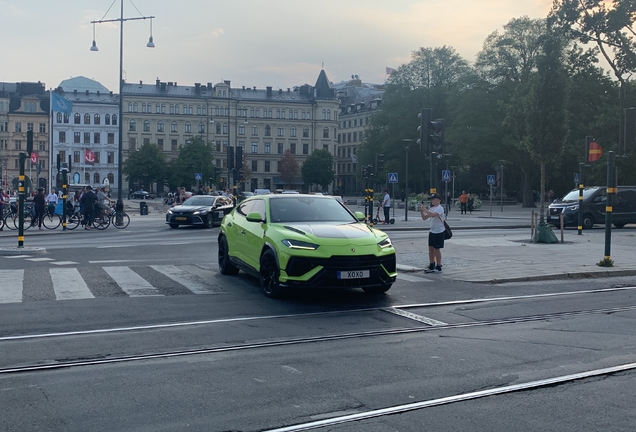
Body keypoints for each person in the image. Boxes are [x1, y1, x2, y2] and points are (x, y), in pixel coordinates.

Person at [419, 193, 445, 273]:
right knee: (430, 248)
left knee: (437, 249)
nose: (432, 201)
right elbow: (424, 218)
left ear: (438, 200)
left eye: (433, 199)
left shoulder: (440, 208)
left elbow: (433, 215)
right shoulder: (432, 208)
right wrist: (421, 211)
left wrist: (425, 209)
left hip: (439, 231)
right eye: (431, 199)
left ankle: (439, 266)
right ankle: (431, 264)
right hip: (432, 231)